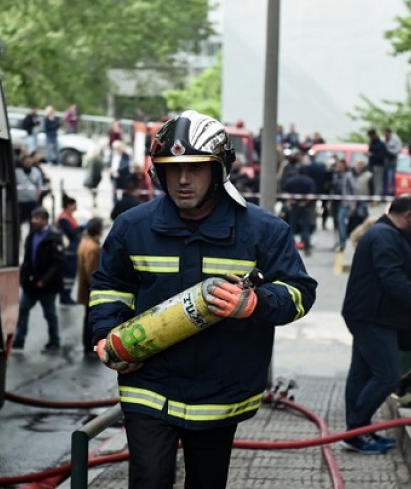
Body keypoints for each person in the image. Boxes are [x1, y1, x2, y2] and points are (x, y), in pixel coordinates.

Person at [88, 110, 317, 488]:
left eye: (194, 167)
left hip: (219, 391)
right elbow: (111, 286)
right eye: (171, 168)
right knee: (148, 481)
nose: (181, 180)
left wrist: (256, 303)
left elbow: (300, 292)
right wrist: (105, 333)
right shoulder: (133, 227)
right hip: (148, 384)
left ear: (218, 170)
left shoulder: (263, 231)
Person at [341, 194, 411, 454]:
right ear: (409, 215)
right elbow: (392, 277)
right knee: (387, 375)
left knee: (362, 372)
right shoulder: (383, 236)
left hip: (373, 314)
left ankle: (357, 432)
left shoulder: (391, 234)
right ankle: (356, 429)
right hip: (372, 317)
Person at [13, 208, 65, 352]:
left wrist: (45, 280)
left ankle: (54, 341)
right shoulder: (31, 236)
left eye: (37, 218)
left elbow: (58, 263)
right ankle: (19, 339)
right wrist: (23, 278)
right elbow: (27, 259)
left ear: (45, 220)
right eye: (33, 217)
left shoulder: (54, 238)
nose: (33, 221)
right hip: (31, 284)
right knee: (23, 309)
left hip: (48, 286)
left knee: (49, 314)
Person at [77, 217, 104, 357]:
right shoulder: (93, 248)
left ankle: (88, 347)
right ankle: (90, 348)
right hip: (91, 290)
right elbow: (92, 271)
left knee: (88, 318)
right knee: (91, 320)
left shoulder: (85, 243)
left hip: (86, 288)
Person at [281, 160, 317, 256]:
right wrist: (305, 202)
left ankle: (291, 248)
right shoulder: (310, 181)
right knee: (305, 228)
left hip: (293, 206)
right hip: (305, 207)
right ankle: (307, 248)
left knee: (292, 227)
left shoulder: (291, 180)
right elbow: (312, 194)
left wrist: (290, 200)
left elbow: (284, 190)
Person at [56, 195, 83, 305]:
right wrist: (82, 228)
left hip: (72, 250)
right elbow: (71, 234)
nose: (76, 207)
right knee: (68, 274)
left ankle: (66, 295)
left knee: (70, 274)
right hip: (69, 252)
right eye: (74, 205)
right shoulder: (64, 219)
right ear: (69, 205)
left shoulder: (69, 217)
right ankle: (65, 296)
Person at [15, 150, 47, 226]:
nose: (28, 163)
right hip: (20, 202)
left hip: (32, 202)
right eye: (26, 162)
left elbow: (39, 186)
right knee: (19, 221)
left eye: (29, 162)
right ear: (22, 162)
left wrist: (36, 197)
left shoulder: (36, 172)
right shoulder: (17, 172)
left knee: (33, 221)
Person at [331, 159, 356, 252]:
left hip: (345, 203)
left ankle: (343, 242)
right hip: (335, 202)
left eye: (341, 165)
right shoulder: (335, 175)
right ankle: (337, 241)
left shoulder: (348, 176)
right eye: (338, 166)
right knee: (336, 223)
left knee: (341, 221)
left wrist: (353, 203)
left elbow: (354, 189)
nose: (339, 167)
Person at [366, 129, 388, 199]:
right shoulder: (371, 143)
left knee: (378, 183)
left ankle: (377, 198)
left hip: (378, 165)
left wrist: (372, 155)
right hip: (371, 165)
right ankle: (372, 197)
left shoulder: (380, 144)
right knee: (371, 182)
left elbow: (382, 156)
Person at [109, 139, 132, 206]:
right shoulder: (111, 154)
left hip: (122, 177)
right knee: (114, 192)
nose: (116, 150)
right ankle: (115, 205)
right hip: (113, 177)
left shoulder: (126, 155)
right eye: (115, 148)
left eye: (118, 148)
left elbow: (126, 165)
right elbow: (109, 163)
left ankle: (123, 205)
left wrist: (116, 170)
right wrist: (110, 170)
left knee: (124, 192)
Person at [382, 127, 402, 197]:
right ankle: (384, 194)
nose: (385, 135)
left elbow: (398, 150)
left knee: (390, 179)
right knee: (383, 179)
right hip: (383, 163)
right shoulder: (382, 139)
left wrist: (389, 151)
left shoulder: (396, 139)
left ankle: (391, 194)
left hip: (392, 162)